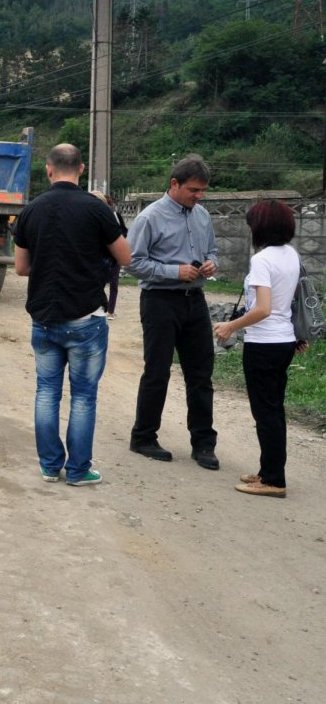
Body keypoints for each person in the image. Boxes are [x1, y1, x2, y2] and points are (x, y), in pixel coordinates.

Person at [13, 144, 132, 486]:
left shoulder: (30, 211)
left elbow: (21, 268)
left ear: (48, 169)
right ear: (81, 169)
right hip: (85, 318)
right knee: (83, 396)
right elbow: (125, 257)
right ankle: (79, 470)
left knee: (46, 392)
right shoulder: (96, 210)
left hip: (44, 318)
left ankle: (50, 466)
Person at [125, 155, 220, 469]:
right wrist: (173, 271)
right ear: (174, 184)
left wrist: (212, 263)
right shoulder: (150, 217)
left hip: (195, 301)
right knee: (157, 372)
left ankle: (204, 444)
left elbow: (213, 251)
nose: (199, 196)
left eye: (202, 191)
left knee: (201, 375)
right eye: (193, 190)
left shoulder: (202, 216)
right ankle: (143, 437)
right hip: (160, 301)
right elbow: (132, 262)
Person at [213, 200, 303, 498]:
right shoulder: (291, 254)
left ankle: (274, 480)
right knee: (273, 410)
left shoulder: (263, 260)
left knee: (265, 413)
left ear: (261, 227)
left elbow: (263, 309)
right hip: (283, 340)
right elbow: (288, 301)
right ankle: (268, 471)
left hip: (264, 344)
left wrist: (231, 326)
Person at [90, 192, 128, 319]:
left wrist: (115, 240)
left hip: (113, 255)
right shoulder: (86, 216)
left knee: (114, 283)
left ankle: (111, 311)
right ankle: (97, 307)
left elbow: (124, 231)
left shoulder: (114, 216)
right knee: (96, 283)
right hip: (97, 256)